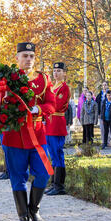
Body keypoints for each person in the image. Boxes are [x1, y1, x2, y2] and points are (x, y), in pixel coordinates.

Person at [3, 42, 57, 221]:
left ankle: (34, 210)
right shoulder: (8, 78)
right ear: (16, 58)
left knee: (43, 173)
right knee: (17, 178)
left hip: (37, 135)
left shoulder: (43, 79)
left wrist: (38, 109)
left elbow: (52, 104)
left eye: (31, 56)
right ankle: (22, 218)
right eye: (24, 55)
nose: (28, 59)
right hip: (14, 136)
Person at [44, 62, 71, 195]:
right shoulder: (52, 87)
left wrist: (47, 106)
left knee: (57, 153)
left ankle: (59, 185)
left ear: (64, 73)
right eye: (54, 70)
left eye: (59, 70)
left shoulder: (64, 88)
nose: (56, 73)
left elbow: (58, 104)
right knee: (52, 154)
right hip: (49, 123)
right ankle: (53, 183)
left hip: (57, 123)